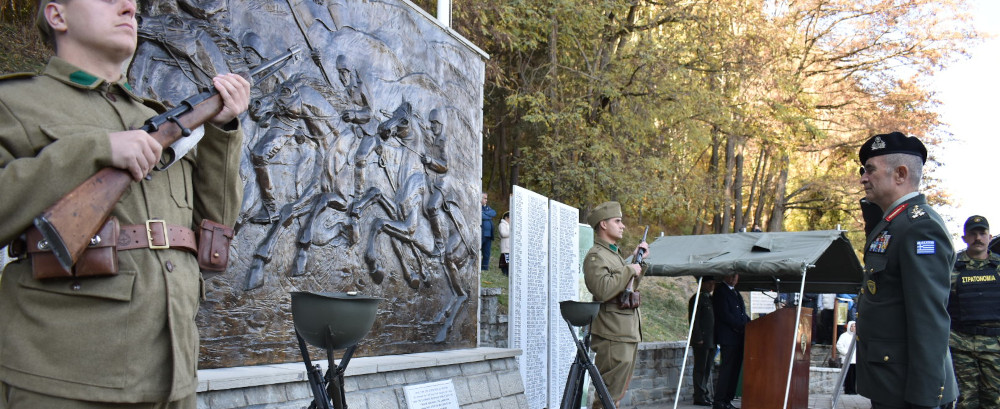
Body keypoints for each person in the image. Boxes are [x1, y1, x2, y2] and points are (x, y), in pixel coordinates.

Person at [0, 0, 250, 406]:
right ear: (57, 15)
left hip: (173, 373)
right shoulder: (15, 104)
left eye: (132, 2)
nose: (128, 5)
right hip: (64, 377)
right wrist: (95, 151)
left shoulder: (157, 119)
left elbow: (212, 233)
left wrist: (223, 133)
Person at [855, 131, 957, 409]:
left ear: (900, 174)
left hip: (908, 390)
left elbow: (929, 318)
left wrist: (924, 398)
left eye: (870, 170)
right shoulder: (894, 224)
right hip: (892, 382)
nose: (863, 178)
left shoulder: (919, 227)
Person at [583, 201, 650, 409]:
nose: (622, 226)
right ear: (603, 224)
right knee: (607, 397)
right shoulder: (596, 256)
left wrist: (639, 263)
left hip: (624, 331)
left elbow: (625, 288)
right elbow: (602, 289)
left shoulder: (614, 256)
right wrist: (630, 269)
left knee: (615, 397)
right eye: (617, 221)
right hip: (612, 332)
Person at [947, 215, 1000, 408]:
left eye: (982, 233)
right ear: (964, 238)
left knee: (994, 400)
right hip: (961, 344)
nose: (978, 237)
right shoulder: (951, 268)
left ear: (989, 236)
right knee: (965, 400)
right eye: (973, 233)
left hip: (994, 346)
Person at [712, 273, 749, 409]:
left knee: (735, 370)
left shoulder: (736, 293)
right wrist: (740, 326)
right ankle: (719, 400)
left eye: (736, 276)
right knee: (727, 370)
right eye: (731, 276)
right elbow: (725, 314)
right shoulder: (721, 292)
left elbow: (742, 313)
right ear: (725, 276)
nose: (733, 279)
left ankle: (728, 399)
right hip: (728, 337)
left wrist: (750, 323)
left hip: (739, 337)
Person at [688, 276, 716, 407]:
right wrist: (697, 337)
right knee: (700, 368)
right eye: (709, 283)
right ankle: (699, 395)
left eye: (713, 283)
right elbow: (694, 320)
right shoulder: (697, 299)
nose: (711, 286)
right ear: (703, 284)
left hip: (711, 339)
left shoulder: (710, 299)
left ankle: (704, 393)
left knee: (707, 368)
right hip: (702, 340)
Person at [837, 321, 858, 395]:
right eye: (851, 326)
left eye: (854, 326)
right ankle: (848, 390)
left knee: (854, 376)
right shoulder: (844, 335)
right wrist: (846, 353)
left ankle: (853, 390)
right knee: (848, 376)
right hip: (847, 359)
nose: (853, 328)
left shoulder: (857, 336)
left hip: (855, 360)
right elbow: (839, 345)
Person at [480, 192, 496, 271]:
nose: (486, 200)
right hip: (481, 234)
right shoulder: (478, 207)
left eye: (486, 198)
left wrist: (485, 214)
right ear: (480, 198)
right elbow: (480, 216)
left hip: (489, 235)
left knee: (487, 253)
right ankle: (477, 268)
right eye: (485, 198)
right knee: (479, 251)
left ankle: (485, 268)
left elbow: (494, 213)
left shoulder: (487, 208)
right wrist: (488, 216)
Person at [498, 211, 510, 276]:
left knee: (509, 262)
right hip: (505, 246)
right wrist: (512, 233)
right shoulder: (502, 225)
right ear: (506, 218)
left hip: (510, 247)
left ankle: (508, 274)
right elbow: (503, 234)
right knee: (505, 261)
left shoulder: (509, 225)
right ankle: (505, 273)